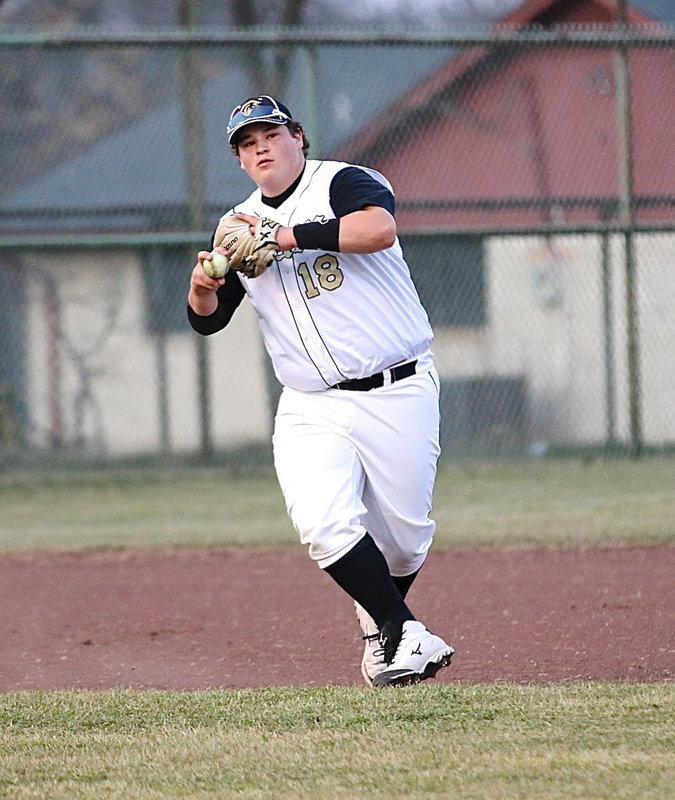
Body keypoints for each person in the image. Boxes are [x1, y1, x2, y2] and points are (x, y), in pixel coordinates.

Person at [187, 94, 454, 687]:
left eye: (270, 134)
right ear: (239, 160)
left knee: (405, 542)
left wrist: (286, 238)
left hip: (397, 387)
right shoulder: (235, 227)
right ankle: (403, 631)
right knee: (323, 523)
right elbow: (207, 318)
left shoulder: (342, 183)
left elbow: (377, 229)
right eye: (246, 143)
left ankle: (382, 630)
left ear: (298, 138)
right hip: (310, 402)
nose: (260, 147)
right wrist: (203, 284)